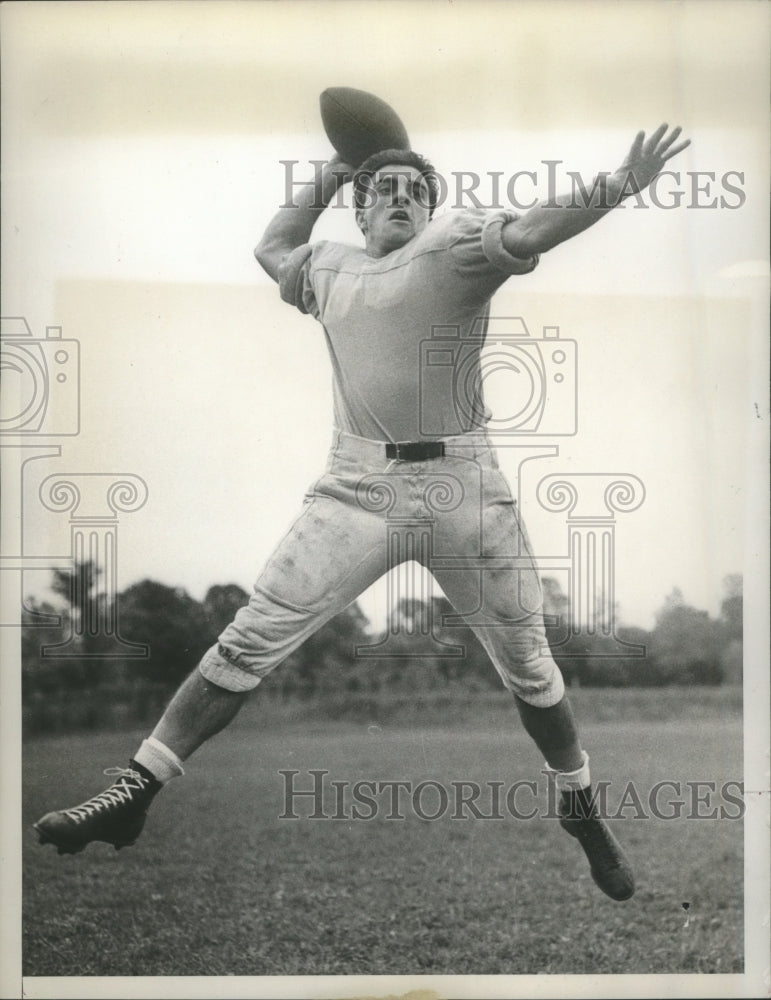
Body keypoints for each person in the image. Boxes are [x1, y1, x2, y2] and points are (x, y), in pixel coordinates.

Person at [35, 123, 690, 902]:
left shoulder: (455, 249)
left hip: (461, 484)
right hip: (356, 487)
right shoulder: (327, 269)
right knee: (249, 637)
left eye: (417, 190)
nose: (404, 199)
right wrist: (330, 173)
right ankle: (134, 790)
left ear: (431, 209)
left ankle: (578, 803)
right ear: (358, 209)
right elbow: (271, 244)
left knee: (530, 666)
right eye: (385, 190)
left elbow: (538, 222)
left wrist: (618, 183)